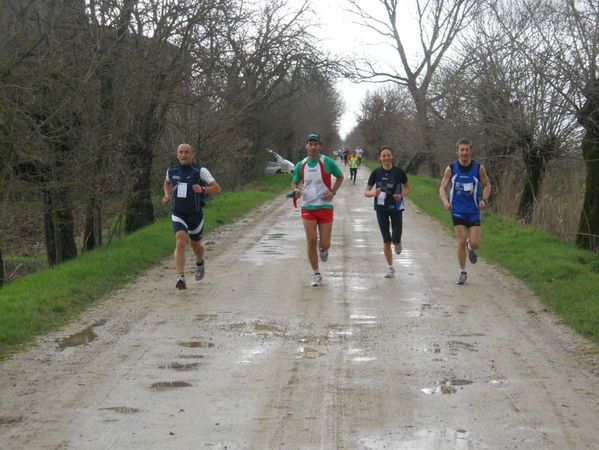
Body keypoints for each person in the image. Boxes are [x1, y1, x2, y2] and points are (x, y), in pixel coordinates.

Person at [162, 143, 221, 289]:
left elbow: (217, 188)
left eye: (186, 152)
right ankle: (180, 277)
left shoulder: (200, 171)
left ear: (192, 155)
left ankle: (200, 261)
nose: (183, 155)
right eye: (181, 152)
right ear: (177, 155)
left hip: (195, 214)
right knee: (180, 241)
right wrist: (167, 195)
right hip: (178, 213)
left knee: (196, 245)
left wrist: (202, 189)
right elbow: (167, 183)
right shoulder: (172, 170)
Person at [292, 133, 344, 286]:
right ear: (306, 146)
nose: (313, 147)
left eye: (316, 144)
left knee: (325, 243)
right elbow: (294, 182)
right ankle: (316, 273)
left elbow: (340, 177)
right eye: (310, 144)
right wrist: (296, 190)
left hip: (325, 206)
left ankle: (323, 249)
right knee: (311, 240)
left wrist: (332, 191)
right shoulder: (300, 165)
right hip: (308, 206)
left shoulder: (327, 162)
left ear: (319, 146)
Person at [439, 138, 491, 285]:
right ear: (457, 151)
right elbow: (442, 188)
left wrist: (484, 199)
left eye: (466, 150)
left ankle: (471, 247)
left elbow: (487, 185)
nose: (464, 153)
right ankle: (462, 272)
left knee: (475, 244)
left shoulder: (479, 168)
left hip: (473, 211)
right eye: (461, 150)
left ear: (470, 151)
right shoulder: (451, 169)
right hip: (457, 210)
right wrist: (445, 202)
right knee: (460, 241)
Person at [364, 146, 411, 278]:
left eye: (388, 155)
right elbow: (366, 192)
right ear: (380, 158)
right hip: (381, 209)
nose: (386, 158)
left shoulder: (399, 172)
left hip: (396, 208)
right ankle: (390, 268)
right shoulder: (376, 173)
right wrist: (374, 192)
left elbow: (408, 188)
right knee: (386, 240)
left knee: (395, 239)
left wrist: (401, 195)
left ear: (392, 157)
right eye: (383, 156)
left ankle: (398, 242)